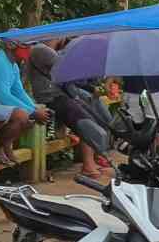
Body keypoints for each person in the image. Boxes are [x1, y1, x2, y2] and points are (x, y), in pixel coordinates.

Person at [25, 41, 109, 180]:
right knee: (85, 121)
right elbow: (67, 73)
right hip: (51, 97)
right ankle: (88, 165)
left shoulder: (47, 51)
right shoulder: (41, 49)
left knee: (91, 114)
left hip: (60, 96)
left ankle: (92, 160)